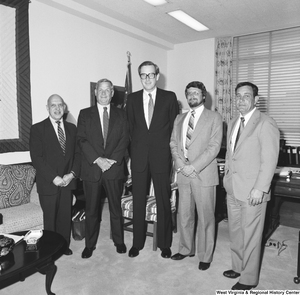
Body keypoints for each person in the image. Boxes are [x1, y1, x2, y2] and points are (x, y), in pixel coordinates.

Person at [223, 82, 280, 290]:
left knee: (252, 236)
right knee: (236, 232)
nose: (241, 100)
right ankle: (238, 267)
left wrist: (260, 188)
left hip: (253, 191)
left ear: (256, 100)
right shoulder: (232, 122)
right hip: (233, 188)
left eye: (246, 96)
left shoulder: (266, 123)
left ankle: (248, 279)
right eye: (238, 96)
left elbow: (270, 160)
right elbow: (232, 155)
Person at [126, 61, 179, 258]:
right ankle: (137, 243)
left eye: (150, 75)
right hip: (139, 157)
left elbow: (175, 129)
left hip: (161, 157)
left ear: (157, 76)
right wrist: (129, 157)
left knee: (163, 201)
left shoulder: (169, 97)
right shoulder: (131, 99)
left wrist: (174, 157)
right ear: (140, 77)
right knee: (138, 200)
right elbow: (129, 130)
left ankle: (165, 244)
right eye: (143, 75)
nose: (147, 78)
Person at [170, 81, 222, 270]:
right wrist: (180, 164)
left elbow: (214, 147)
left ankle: (205, 255)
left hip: (203, 174)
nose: (192, 96)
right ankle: (185, 249)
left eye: (196, 93)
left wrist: (194, 166)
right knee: (184, 214)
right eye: (189, 93)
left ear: (204, 96)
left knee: (206, 217)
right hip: (183, 174)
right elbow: (173, 144)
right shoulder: (179, 118)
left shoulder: (214, 117)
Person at [77, 78, 129, 259]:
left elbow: (125, 139)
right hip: (92, 169)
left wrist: (111, 160)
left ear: (113, 93)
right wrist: (98, 160)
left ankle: (119, 241)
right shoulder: (84, 114)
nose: (104, 93)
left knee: (115, 208)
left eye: (108, 90)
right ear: (95, 92)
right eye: (101, 90)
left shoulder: (122, 115)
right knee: (91, 210)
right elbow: (81, 140)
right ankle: (89, 245)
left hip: (114, 169)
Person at [30, 94, 80, 255]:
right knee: (50, 220)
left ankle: (64, 246)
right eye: (53, 105)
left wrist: (71, 175)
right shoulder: (37, 129)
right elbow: (37, 158)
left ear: (64, 108)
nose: (57, 108)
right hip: (48, 183)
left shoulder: (72, 129)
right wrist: (54, 177)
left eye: (60, 105)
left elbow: (78, 155)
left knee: (65, 217)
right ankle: (49, 251)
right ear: (47, 108)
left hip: (68, 181)